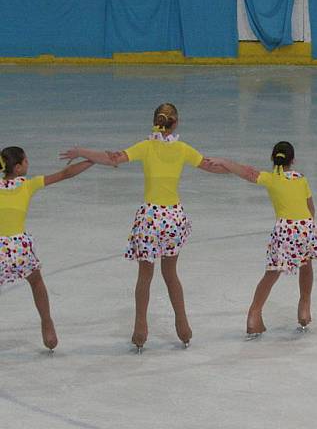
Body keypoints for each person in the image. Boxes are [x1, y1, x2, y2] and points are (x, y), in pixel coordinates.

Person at [59, 103, 226, 352]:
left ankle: (140, 330)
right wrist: (233, 166)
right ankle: (183, 326)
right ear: (176, 123)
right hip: (173, 218)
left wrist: (81, 150)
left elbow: (112, 159)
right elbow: (212, 167)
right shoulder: (183, 149)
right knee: (171, 274)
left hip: (150, 218)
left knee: (145, 277)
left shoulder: (145, 146)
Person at [210, 142, 317, 336]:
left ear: (273, 159)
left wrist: (224, 161)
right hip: (306, 226)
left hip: (285, 229)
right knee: (306, 265)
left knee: (272, 272)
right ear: (293, 160)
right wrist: (308, 230)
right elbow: (311, 208)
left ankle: (254, 313)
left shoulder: (271, 178)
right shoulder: (301, 179)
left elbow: (246, 172)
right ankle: (304, 308)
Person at [0, 146, 93, 351]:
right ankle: (47, 323)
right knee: (36, 282)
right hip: (18, 248)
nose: (28, 164)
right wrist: (92, 160)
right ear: (17, 168)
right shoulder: (27, 184)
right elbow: (64, 174)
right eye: (25, 161)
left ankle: (47, 324)